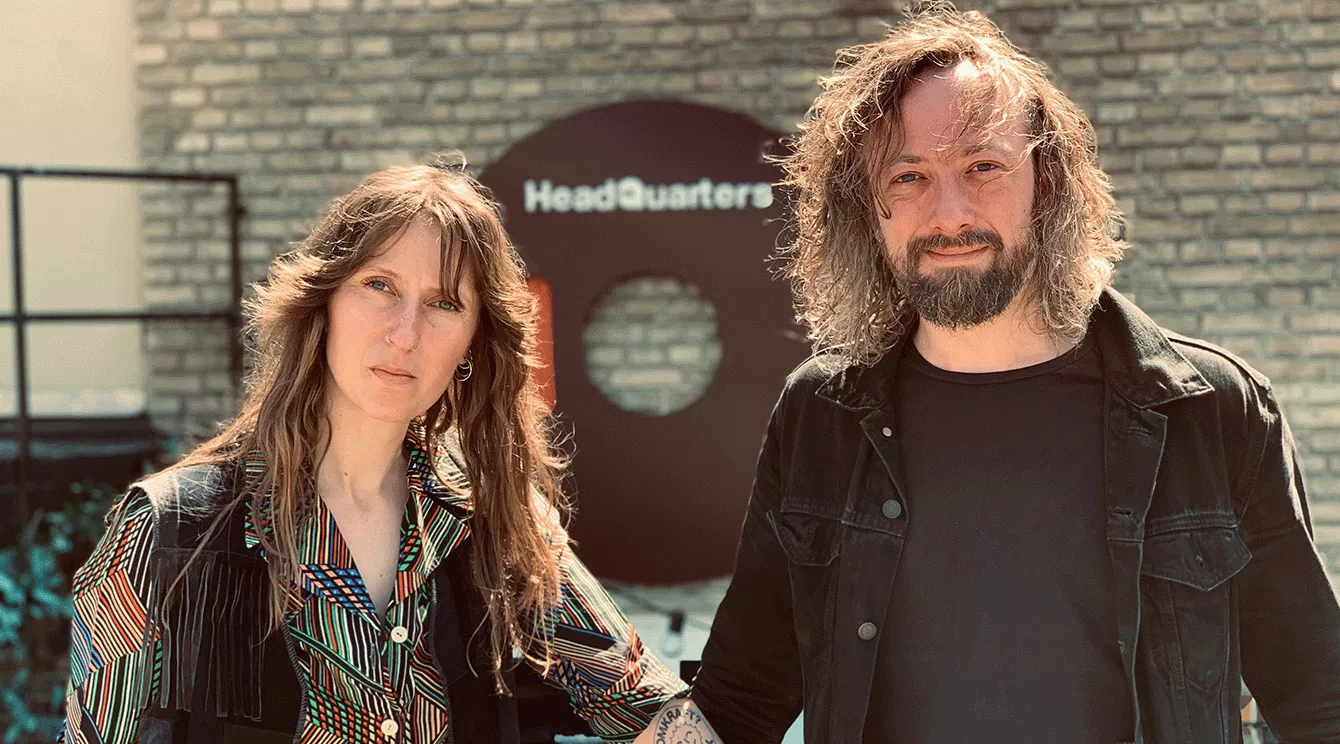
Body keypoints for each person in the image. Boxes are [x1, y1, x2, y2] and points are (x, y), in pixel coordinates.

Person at [637, 4, 1340, 744]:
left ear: (1049, 184)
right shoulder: (822, 415)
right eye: (908, 176)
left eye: (983, 167)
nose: (949, 213)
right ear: (866, 210)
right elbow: (739, 703)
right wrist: (579, 633)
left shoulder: (1211, 411)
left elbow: (1320, 705)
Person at [61, 160, 686, 744]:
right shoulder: (169, 530)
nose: (405, 333)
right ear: (323, 302)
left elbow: (649, 711)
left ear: (472, 344)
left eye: (444, 303)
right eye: (379, 285)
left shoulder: (495, 519)